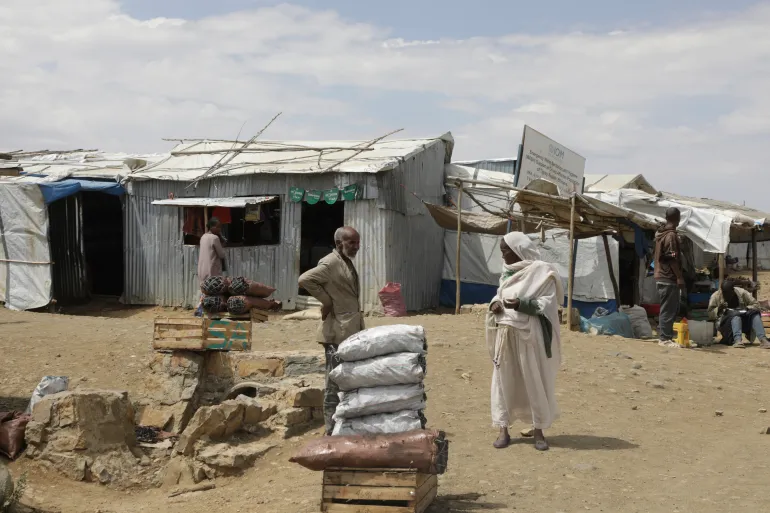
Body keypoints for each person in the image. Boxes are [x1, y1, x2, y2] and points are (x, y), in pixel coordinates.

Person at [486, 232, 562, 451]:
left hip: (529, 335)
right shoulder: (507, 272)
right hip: (505, 334)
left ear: (517, 250)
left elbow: (548, 303)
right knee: (503, 381)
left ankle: (538, 430)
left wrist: (521, 304)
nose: (503, 256)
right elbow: (499, 295)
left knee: (533, 379)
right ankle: (503, 428)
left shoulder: (542, 271)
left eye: (505, 251)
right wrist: (495, 305)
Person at [298, 226, 364, 435]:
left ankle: (344, 426)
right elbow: (305, 279)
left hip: (350, 329)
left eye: (357, 242)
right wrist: (327, 301)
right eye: (352, 242)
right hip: (336, 331)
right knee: (333, 382)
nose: (356, 246)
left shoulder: (345, 262)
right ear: (339, 244)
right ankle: (329, 430)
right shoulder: (330, 262)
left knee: (349, 378)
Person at [708, 280, 770, 349]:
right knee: (735, 316)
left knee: (754, 314)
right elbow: (710, 314)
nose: (726, 295)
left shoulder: (742, 292)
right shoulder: (715, 296)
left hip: (743, 320)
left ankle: (763, 340)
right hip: (725, 324)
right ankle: (737, 340)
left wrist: (747, 309)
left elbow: (756, 305)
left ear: (733, 290)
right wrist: (719, 308)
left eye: (728, 293)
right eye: (724, 293)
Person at [654, 207, 685, 345]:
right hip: (668, 277)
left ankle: (664, 335)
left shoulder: (661, 234)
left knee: (666, 308)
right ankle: (665, 338)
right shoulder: (671, 235)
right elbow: (672, 257)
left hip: (661, 276)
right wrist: (679, 276)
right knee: (669, 309)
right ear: (677, 218)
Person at [195, 217, 227, 316]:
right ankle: (203, 310)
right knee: (213, 290)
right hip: (212, 269)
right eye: (218, 227)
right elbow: (221, 254)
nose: (219, 229)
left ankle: (200, 309)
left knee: (205, 290)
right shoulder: (215, 238)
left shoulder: (203, 237)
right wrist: (222, 241)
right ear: (212, 227)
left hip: (202, 268)